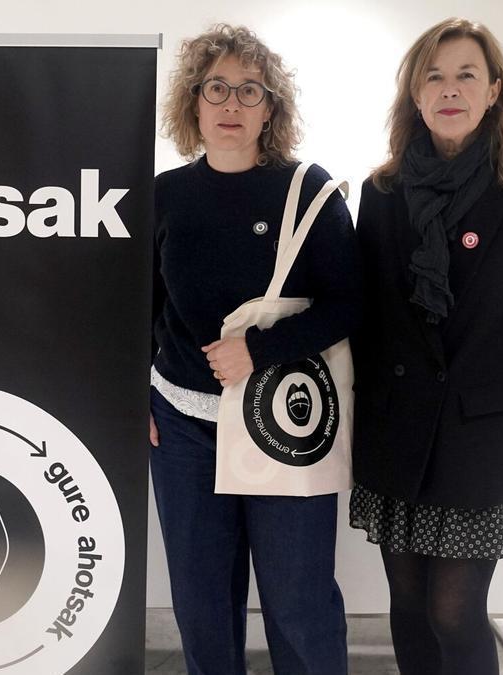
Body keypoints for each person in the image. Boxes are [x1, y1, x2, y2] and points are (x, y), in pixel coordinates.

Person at [349, 17, 503, 675]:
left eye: (466, 75)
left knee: (454, 610)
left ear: (494, 90)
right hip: (397, 427)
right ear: (415, 95)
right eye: (435, 76)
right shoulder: (383, 192)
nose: (450, 89)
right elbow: (368, 314)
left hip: (483, 433)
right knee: (406, 602)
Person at [149, 23, 359, 675]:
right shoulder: (164, 195)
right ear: (194, 101)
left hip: (281, 424)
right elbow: (141, 306)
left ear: (271, 109)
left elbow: (352, 302)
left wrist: (260, 351)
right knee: (202, 607)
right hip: (183, 429)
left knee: (299, 604)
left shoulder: (309, 191)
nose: (231, 104)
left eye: (250, 90)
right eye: (216, 87)